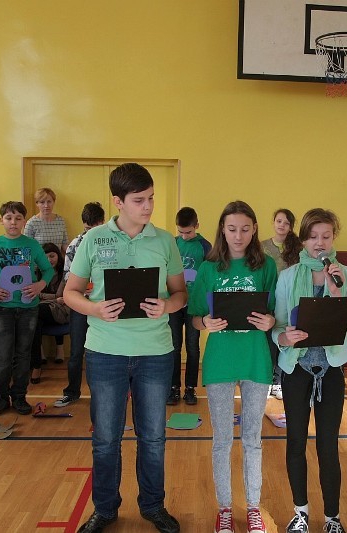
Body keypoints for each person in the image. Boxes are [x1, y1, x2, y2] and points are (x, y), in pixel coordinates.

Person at [63, 163, 184, 533]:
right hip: (105, 352)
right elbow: (70, 293)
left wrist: (167, 305)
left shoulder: (165, 241)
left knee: (153, 438)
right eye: (138, 200)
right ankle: (105, 509)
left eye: (151, 199)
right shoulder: (93, 240)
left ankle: (153, 506)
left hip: (155, 352)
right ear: (118, 202)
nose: (147, 207)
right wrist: (95, 309)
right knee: (105, 439)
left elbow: (180, 293)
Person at [189, 201, 277, 533]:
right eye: (231, 229)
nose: (238, 236)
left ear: (254, 230)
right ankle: (224, 508)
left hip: (255, 360)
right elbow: (195, 317)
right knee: (222, 440)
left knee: (252, 438)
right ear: (222, 231)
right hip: (220, 362)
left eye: (244, 229)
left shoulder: (266, 266)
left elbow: (275, 312)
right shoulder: (208, 268)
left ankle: (253, 508)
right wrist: (205, 323)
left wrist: (271, 321)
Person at [272, 208, 347, 533]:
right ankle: (301, 513)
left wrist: (336, 293)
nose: (319, 243)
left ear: (334, 238)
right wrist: (284, 337)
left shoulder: (346, 275)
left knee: (328, 445)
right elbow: (278, 327)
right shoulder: (288, 277)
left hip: (331, 369)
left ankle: (332, 517)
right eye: (313, 237)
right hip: (296, 368)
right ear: (303, 240)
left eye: (326, 236)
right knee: (295, 441)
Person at [0, 201, 55, 417]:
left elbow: (48, 270)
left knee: (23, 355)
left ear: (24, 221)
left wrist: (40, 285)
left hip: (28, 308)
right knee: (2, 356)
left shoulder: (32, 245)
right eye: (9, 218)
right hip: (2, 309)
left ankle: (20, 396)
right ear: (1, 220)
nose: (13, 222)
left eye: (18, 218)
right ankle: (0, 397)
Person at [54, 201, 105, 408]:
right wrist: (82, 289)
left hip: (105, 305)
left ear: (102, 222)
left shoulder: (109, 242)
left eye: (95, 227)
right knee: (76, 351)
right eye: (87, 228)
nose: (90, 232)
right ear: (83, 224)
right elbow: (68, 276)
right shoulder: (75, 244)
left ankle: (105, 393)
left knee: (105, 352)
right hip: (81, 305)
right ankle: (72, 391)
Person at [167, 206, 211, 406]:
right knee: (174, 346)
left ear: (197, 226)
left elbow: (209, 275)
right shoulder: (173, 243)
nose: (184, 236)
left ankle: (190, 388)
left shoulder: (204, 246)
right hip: (175, 303)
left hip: (194, 305)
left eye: (188, 232)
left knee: (192, 347)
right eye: (181, 232)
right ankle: (173, 387)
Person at [261, 208, 302, 401]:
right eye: (279, 221)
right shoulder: (262, 246)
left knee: (283, 342)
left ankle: (278, 381)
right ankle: (267, 380)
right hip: (269, 302)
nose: (282, 225)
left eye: (286, 223)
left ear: (291, 226)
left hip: (288, 302)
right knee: (269, 342)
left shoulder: (298, 248)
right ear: (273, 222)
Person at [29, 243, 69, 383]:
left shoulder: (64, 273)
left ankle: (36, 364)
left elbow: (59, 296)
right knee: (34, 320)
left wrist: (41, 295)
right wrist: (51, 298)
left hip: (60, 310)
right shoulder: (36, 273)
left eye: (52, 256)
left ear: (58, 255)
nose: (49, 260)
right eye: (45, 257)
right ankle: (37, 363)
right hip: (42, 309)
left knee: (34, 313)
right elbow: (34, 293)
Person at [23, 187, 69, 252]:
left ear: (54, 202)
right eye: (42, 202)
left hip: (57, 258)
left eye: (49, 202)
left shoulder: (60, 221)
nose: (46, 206)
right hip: (38, 258)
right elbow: (27, 247)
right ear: (37, 204)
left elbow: (65, 244)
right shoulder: (31, 223)